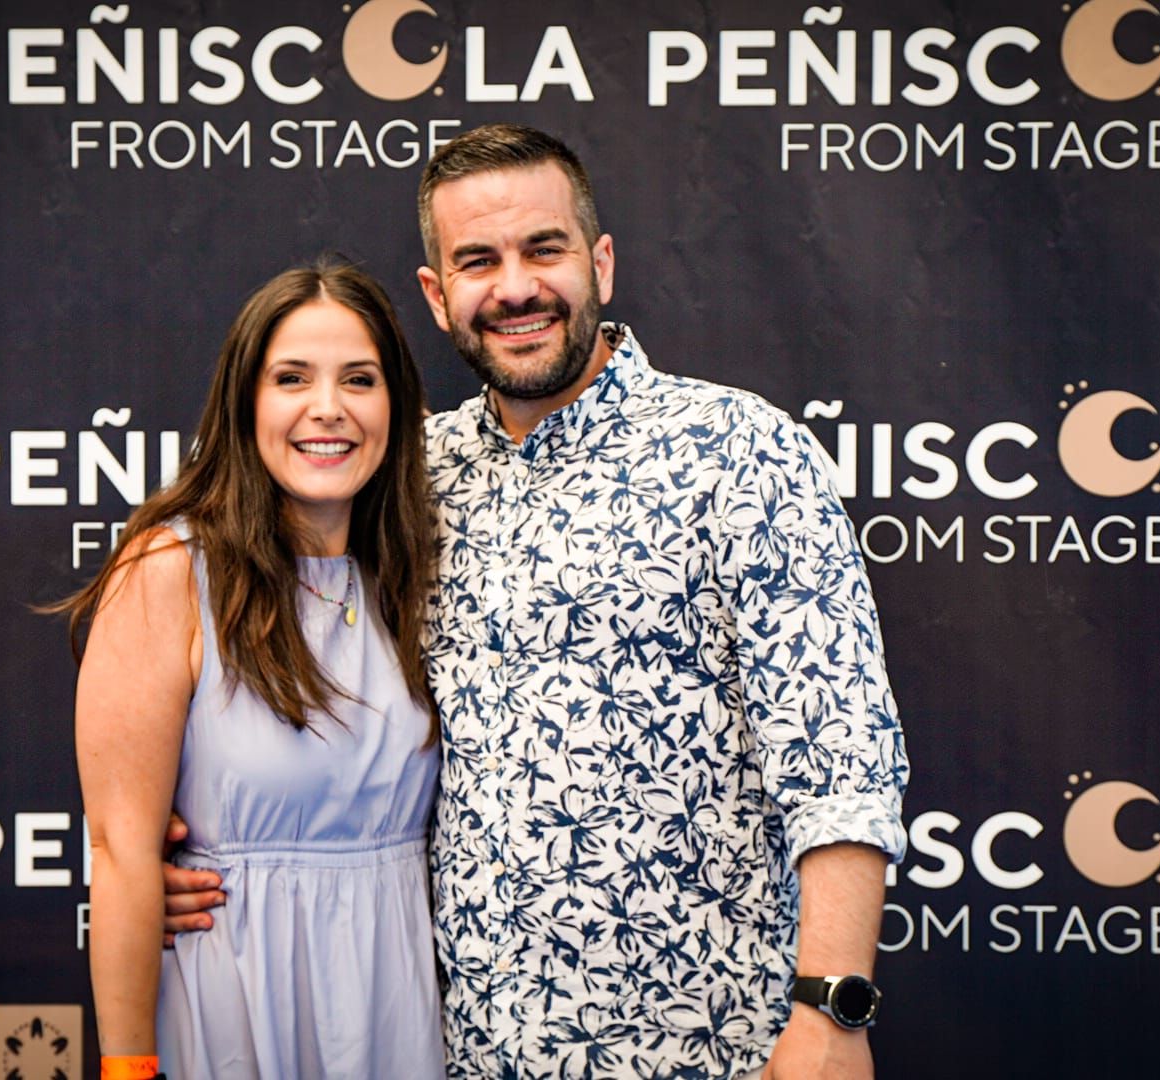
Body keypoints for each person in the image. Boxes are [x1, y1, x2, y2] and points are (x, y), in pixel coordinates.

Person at [168, 125, 910, 1079]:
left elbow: (840, 757)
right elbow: (293, 688)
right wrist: (186, 860)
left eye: (543, 249)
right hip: (469, 1051)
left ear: (599, 261)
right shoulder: (407, 476)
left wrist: (832, 1011)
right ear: (439, 297)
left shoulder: (740, 451)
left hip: (719, 1045)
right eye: (477, 260)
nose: (514, 288)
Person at [60, 260, 445, 1080]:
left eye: (360, 379)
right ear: (246, 402)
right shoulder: (168, 571)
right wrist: (128, 1070)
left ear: (398, 407)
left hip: (396, 1004)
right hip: (233, 1001)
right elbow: (123, 854)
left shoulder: (410, 576)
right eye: (291, 377)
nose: (327, 408)